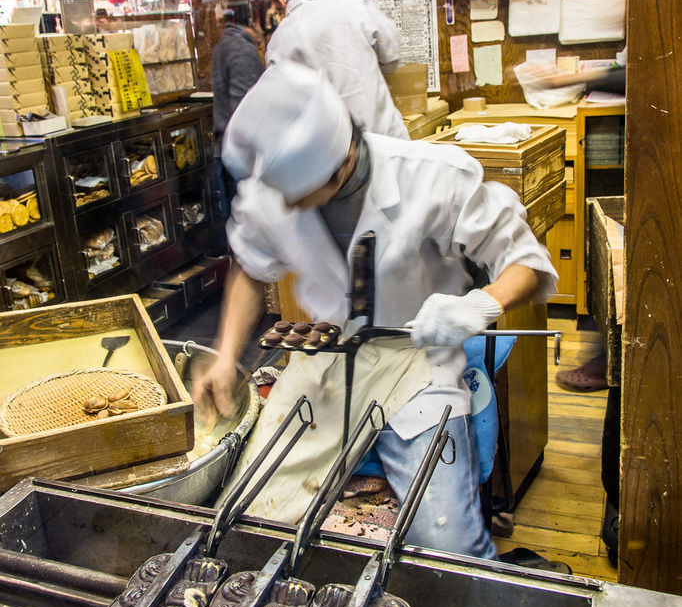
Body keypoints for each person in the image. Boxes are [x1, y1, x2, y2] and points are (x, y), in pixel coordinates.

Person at [194, 62, 558, 560]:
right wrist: (223, 356)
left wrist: (479, 303)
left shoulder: (433, 177)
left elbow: (526, 262)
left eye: (301, 198)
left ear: (341, 162)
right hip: (329, 356)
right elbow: (251, 268)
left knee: (446, 543)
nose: (290, 209)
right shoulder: (274, 191)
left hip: (420, 360)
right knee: (248, 510)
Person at [268, 0, 410, 140]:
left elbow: (285, 112)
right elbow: (392, 54)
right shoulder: (352, 4)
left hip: (334, 162)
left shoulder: (278, 41)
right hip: (387, 145)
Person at [210, 6, 264, 208]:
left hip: (228, 148)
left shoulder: (223, 45)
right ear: (250, 22)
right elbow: (245, 109)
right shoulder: (242, 50)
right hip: (241, 155)